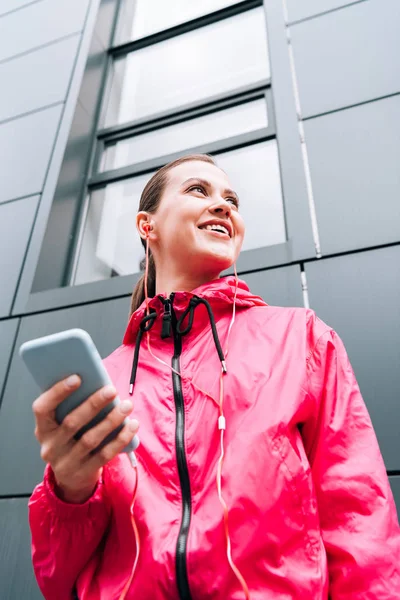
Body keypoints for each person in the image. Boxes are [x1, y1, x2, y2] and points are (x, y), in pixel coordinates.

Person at [28, 154, 400, 600]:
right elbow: (57, 579)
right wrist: (68, 491)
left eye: (232, 200)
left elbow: (359, 515)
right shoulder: (103, 379)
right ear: (148, 226)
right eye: (198, 191)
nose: (224, 206)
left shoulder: (300, 339)